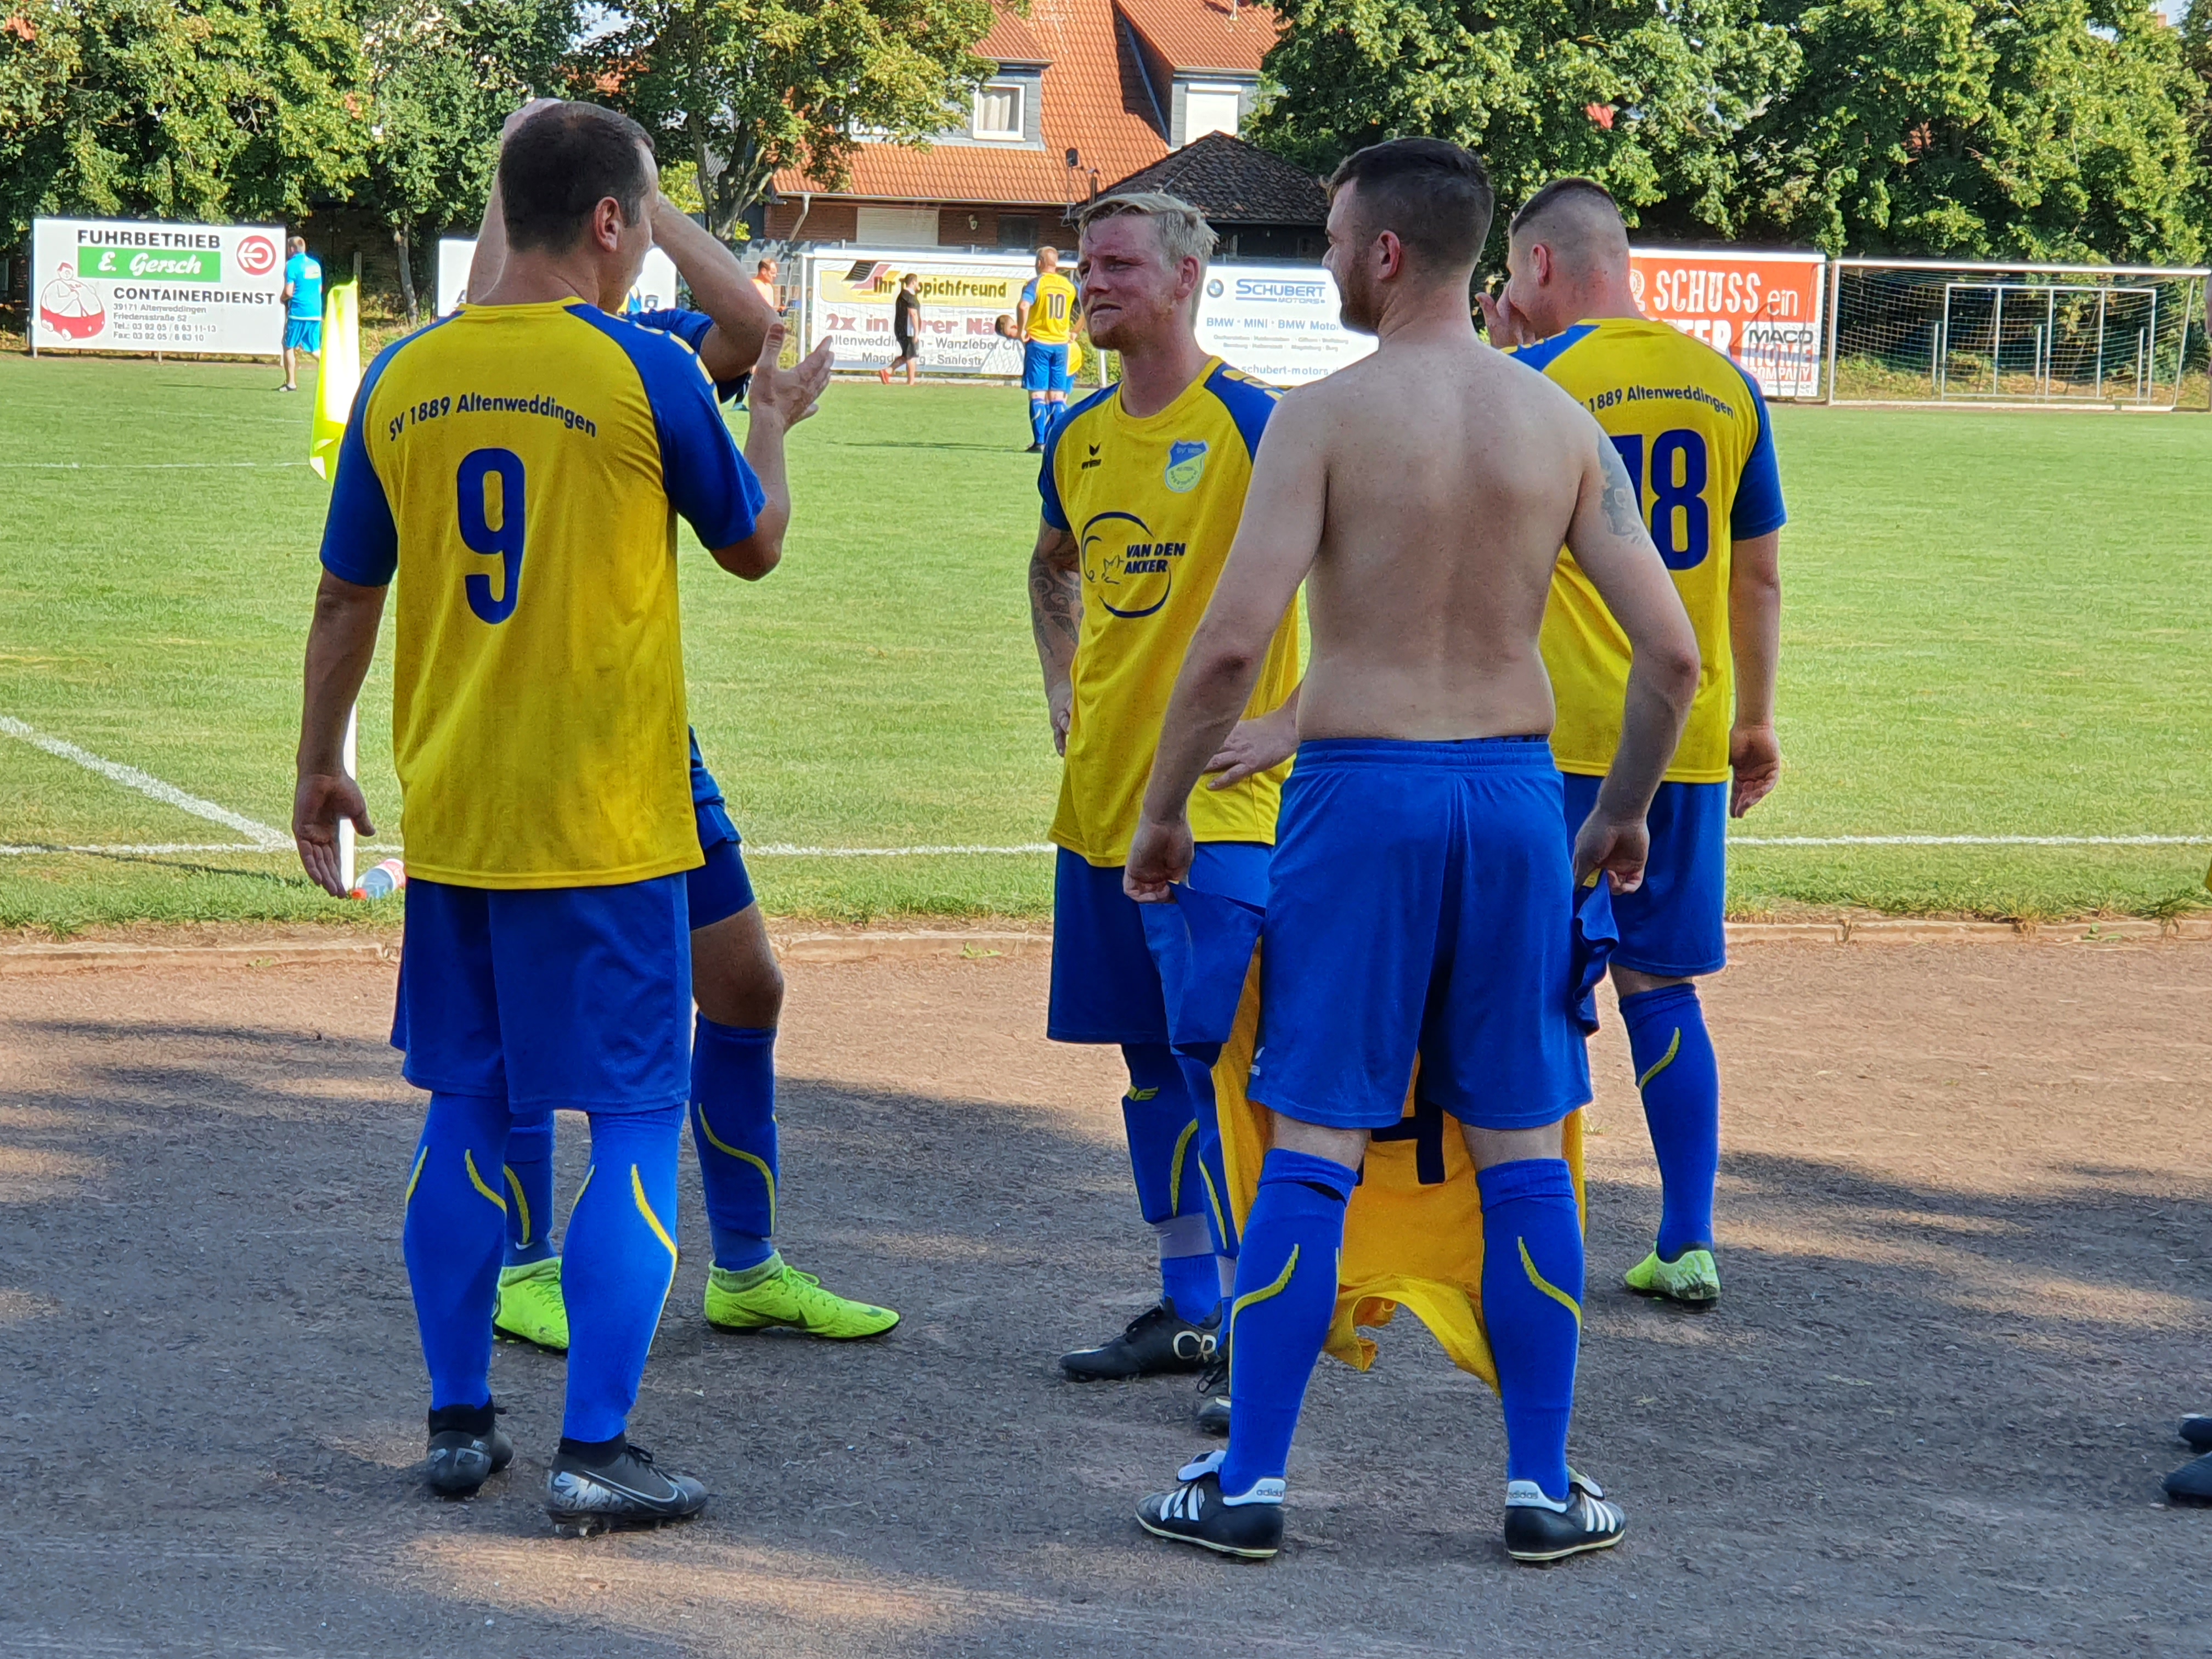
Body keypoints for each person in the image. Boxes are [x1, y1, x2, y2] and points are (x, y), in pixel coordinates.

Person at [1123, 138, 1700, 1564]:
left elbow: (1237, 647)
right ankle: (1541, 1487)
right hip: (1512, 804)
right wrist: (1620, 809)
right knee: (1524, 1147)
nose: (1322, 261)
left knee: (1310, 1137)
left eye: (1330, 238)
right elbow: (1673, 657)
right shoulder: (1559, 428)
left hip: (1360, 799)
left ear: (1385, 252)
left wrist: (1163, 807)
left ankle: (1250, 1485)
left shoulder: (1320, 422)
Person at [294, 100, 830, 1531]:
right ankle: (596, 1446)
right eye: (641, 219)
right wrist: (770, 431)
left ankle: (460, 1423)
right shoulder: (640, 371)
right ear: (613, 225)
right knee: (638, 1121)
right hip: (607, 821)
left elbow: (350, 592)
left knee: (468, 1109)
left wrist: (320, 764)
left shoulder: (407, 375)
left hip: (461, 817)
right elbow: (757, 549)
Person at [460, 103, 898, 1354]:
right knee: (536, 1011)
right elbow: (511, 280)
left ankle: (746, 1267)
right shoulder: (476, 352)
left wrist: (637, 197)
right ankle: (525, 1262)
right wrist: (539, 157)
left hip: (646, 743)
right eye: (619, 216)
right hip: (521, 741)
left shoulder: (639, 354)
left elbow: (754, 330)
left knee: (745, 982)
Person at [1476, 178, 1787, 1308]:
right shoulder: (1730, 384)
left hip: (1559, 739)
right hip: (1687, 738)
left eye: (1512, 275)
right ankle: (1688, 1238)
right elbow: (1757, 573)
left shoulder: (1535, 382)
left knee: (1527, 986)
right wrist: (1753, 717)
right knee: (1665, 988)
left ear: (1545, 268)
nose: (1506, 298)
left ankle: (1521, 1232)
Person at [1028, 191, 1300, 1420]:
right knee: (1147, 1068)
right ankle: (1188, 1304)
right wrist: (1059, 689)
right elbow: (1051, 565)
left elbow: (1374, 598)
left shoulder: (1258, 425)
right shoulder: (1077, 436)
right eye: (1088, 266)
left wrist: (1292, 724)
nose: (1095, 284)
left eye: (1121, 265)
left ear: (1189, 279)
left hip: (1225, 815)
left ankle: (1260, 1321)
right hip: (1102, 810)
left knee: (1220, 1064)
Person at [1017, 245, 1080, 451]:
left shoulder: (1036, 284)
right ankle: (1058, 443)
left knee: (1037, 394)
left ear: (1039, 263)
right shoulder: (1069, 285)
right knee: (1057, 395)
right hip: (1062, 346)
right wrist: (1075, 331)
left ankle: (1040, 442)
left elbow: (1024, 306)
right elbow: (1088, 307)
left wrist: (1021, 330)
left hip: (1040, 344)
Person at [279, 237, 323, 392]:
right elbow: (320, 289)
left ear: (291, 249)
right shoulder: (315, 265)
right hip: (316, 312)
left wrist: (282, 299)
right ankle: (334, 371)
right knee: (314, 349)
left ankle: (291, 383)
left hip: (299, 313)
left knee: (288, 345)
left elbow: (289, 292)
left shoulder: (291, 265)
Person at [881, 273, 922, 385]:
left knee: (907, 355)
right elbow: (913, 314)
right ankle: (911, 383)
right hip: (909, 331)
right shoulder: (910, 297)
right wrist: (917, 333)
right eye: (917, 282)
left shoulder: (902, 295)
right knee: (911, 357)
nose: (918, 284)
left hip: (901, 329)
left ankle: (888, 371)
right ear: (914, 282)